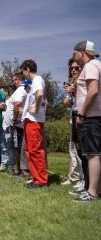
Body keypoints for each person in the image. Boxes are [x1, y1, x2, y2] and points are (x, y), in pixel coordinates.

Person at [72, 40, 101, 202]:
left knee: (92, 154)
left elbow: (93, 90)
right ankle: (96, 190)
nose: (74, 56)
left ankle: (91, 192)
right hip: (96, 115)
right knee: (97, 154)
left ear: (82, 52)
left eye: (74, 53)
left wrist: (82, 113)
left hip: (91, 116)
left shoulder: (90, 66)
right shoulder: (97, 64)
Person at [20, 60, 48, 188]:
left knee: (35, 150)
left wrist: (36, 109)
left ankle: (41, 180)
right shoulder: (35, 82)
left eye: (23, 71)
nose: (23, 74)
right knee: (29, 150)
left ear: (27, 68)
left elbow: (40, 94)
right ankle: (35, 177)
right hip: (30, 120)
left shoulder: (37, 79)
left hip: (34, 121)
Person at [62, 59, 85, 189]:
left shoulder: (85, 82)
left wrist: (73, 92)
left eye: (76, 68)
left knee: (82, 150)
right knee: (73, 150)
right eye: (71, 68)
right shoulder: (73, 83)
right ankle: (74, 176)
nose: (73, 70)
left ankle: (83, 178)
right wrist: (69, 95)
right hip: (74, 118)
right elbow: (68, 102)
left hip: (82, 119)